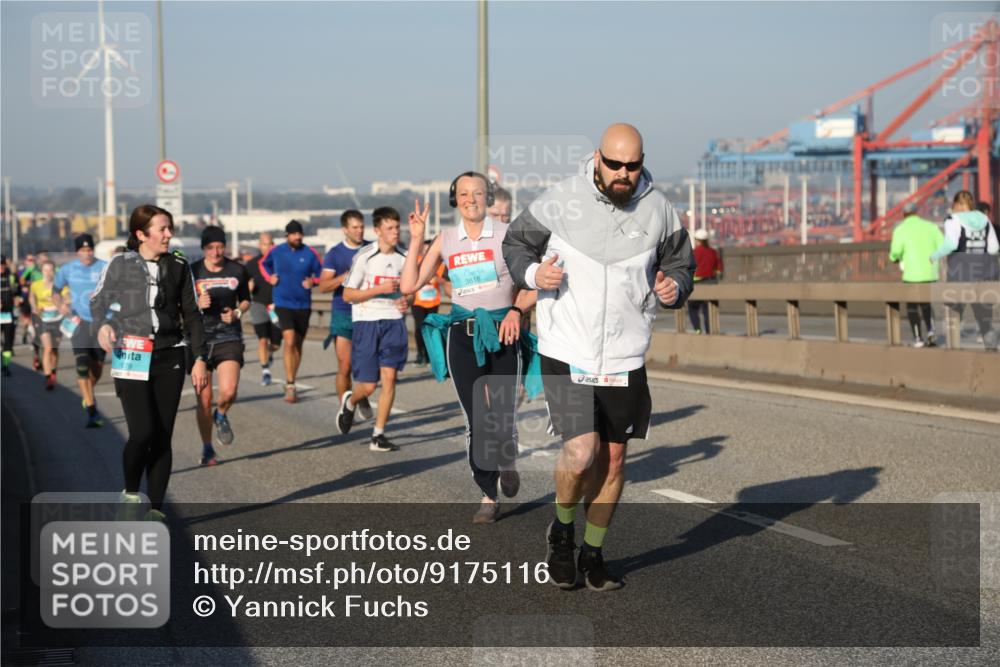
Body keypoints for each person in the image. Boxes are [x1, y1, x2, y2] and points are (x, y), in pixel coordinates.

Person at [502, 123, 695, 590]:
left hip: (625, 354)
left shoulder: (660, 210)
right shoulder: (559, 200)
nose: (624, 174)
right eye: (614, 164)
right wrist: (532, 274)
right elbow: (514, 244)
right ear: (597, 157)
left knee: (612, 461)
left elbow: (680, 266)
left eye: (633, 165)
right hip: (567, 349)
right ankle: (562, 532)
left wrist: (674, 288)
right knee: (581, 452)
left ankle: (593, 553)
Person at [402, 173, 537, 523]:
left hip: (503, 333)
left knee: (502, 417)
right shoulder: (445, 240)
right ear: (455, 199)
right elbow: (408, 285)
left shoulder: (510, 236)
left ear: (488, 197)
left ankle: (506, 459)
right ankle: (487, 494)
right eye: (463, 194)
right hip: (462, 335)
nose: (471, 199)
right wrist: (416, 240)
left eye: (477, 193)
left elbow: (535, 284)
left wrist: (516, 311)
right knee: (477, 418)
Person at [90, 204, 209, 521]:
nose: (169, 234)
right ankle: (130, 492)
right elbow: (98, 301)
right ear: (141, 234)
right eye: (162, 229)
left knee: (162, 435)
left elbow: (193, 316)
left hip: (171, 353)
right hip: (132, 350)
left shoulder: (180, 267)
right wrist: (102, 324)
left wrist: (199, 359)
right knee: (142, 432)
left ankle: (156, 510)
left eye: (170, 228)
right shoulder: (120, 264)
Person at [336, 207, 410, 452]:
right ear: (377, 230)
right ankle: (350, 401)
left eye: (397, 227)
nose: (395, 232)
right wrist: (379, 290)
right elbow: (347, 294)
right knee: (368, 386)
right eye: (389, 228)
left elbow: (410, 290)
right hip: (367, 322)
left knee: (390, 378)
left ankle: (378, 435)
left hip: (393, 322)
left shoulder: (404, 257)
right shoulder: (364, 256)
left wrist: (405, 300)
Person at [191, 226, 251, 465]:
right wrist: (197, 302)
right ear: (203, 248)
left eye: (219, 247)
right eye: (210, 247)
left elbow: (246, 299)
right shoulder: (192, 271)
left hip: (229, 337)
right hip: (199, 341)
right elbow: (179, 304)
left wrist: (237, 312)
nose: (216, 252)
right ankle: (207, 448)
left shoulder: (237, 269)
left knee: (228, 391)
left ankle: (222, 413)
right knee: (204, 400)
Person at [260, 220, 323, 403]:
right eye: (294, 234)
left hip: (303, 305)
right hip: (283, 302)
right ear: (287, 236)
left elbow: (321, 273)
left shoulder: (310, 253)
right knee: (289, 340)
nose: (297, 237)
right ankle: (290, 384)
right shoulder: (277, 251)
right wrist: (269, 278)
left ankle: (292, 379)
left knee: (298, 345)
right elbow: (263, 264)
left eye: (299, 234)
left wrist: (314, 282)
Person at [930, 190, 1000, 351]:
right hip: (984, 274)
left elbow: (951, 245)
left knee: (955, 313)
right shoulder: (984, 219)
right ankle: (991, 350)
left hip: (960, 274)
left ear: (958, 204)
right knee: (983, 317)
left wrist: (934, 256)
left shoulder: (953, 220)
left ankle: (952, 353)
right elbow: (994, 247)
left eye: (954, 205)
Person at [320, 210, 373, 419]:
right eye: (354, 227)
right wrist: (344, 276)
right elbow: (323, 286)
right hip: (343, 312)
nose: (359, 231)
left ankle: (360, 394)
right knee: (345, 365)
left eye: (361, 227)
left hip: (368, 312)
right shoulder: (335, 253)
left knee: (364, 363)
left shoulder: (371, 249)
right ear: (345, 229)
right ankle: (346, 410)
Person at [54, 234, 109, 426]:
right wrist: (60, 304)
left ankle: (88, 394)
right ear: (77, 252)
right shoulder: (68, 269)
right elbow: (55, 291)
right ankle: (92, 411)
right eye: (83, 250)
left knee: (97, 368)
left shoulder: (104, 267)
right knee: (82, 366)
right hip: (79, 323)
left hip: (102, 323)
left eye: (89, 250)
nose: (86, 254)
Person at [888, 203, 945, 347]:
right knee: (927, 304)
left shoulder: (900, 229)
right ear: (916, 212)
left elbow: (895, 252)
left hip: (911, 274)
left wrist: (894, 258)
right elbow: (943, 245)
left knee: (912, 306)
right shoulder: (931, 227)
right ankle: (931, 332)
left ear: (904, 214)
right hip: (930, 272)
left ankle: (918, 338)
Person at [245, 233, 282, 386]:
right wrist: (249, 288)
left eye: (271, 243)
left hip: (276, 307)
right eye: (265, 244)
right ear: (259, 246)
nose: (268, 247)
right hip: (258, 305)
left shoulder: (279, 262)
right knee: (262, 340)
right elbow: (243, 287)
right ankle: (265, 371)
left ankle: (269, 353)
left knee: (276, 344)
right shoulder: (252, 264)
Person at [29, 259, 68, 390]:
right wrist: (34, 307)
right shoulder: (36, 285)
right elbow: (31, 297)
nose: (48, 272)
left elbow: (67, 296)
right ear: (42, 271)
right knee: (48, 348)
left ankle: (53, 371)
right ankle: (47, 378)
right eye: (45, 270)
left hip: (57, 318)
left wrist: (65, 303)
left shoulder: (60, 285)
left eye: (51, 270)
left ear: (54, 271)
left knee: (55, 349)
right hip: (42, 318)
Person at [409, 239, 446, 366]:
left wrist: (436, 278)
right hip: (417, 301)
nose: (425, 252)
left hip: (433, 301)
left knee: (431, 328)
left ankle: (430, 356)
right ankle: (420, 355)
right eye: (424, 249)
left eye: (428, 249)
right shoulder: (416, 261)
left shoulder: (437, 262)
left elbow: (444, 279)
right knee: (420, 328)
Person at [688, 228, 722, 334]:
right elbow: (719, 268)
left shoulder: (693, 253)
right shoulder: (713, 252)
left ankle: (697, 329)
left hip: (697, 285)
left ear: (697, 240)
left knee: (692, 308)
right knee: (708, 311)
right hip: (711, 283)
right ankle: (709, 331)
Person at [1, 255, 18, 377]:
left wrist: (18, 298)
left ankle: (6, 366)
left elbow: (18, 292)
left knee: (8, 342)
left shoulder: (11, 277)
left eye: (3, 264)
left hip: (7, 314)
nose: (1, 267)